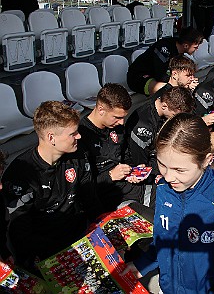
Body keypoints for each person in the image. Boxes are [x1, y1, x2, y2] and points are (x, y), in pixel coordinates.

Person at [126, 113, 214, 293]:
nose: (168, 177)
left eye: (180, 169)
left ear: (207, 160)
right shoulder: (167, 186)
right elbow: (165, 237)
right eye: (162, 164)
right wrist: (142, 264)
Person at [2, 101, 98, 271]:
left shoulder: (78, 155)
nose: (79, 137)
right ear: (51, 138)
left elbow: (89, 196)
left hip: (77, 233)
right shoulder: (21, 174)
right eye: (73, 133)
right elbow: (20, 231)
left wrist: (99, 226)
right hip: (44, 249)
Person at [78, 83, 146, 213]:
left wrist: (132, 170)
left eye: (123, 117)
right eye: (117, 117)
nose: (122, 122)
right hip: (106, 197)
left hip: (127, 186)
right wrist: (110, 176)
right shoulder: (80, 137)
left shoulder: (117, 128)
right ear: (101, 110)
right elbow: (84, 187)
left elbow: (125, 155)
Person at [125, 87, 195, 206]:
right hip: (142, 171)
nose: (175, 119)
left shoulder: (161, 111)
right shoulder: (144, 126)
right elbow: (142, 164)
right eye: (174, 115)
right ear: (165, 106)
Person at [127, 26, 203, 96]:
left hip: (154, 76)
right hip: (137, 76)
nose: (197, 49)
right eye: (195, 47)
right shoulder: (164, 48)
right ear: (186, 45)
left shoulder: (179, 51)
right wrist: (184, 85)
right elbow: (161, 75)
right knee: (161, 87)